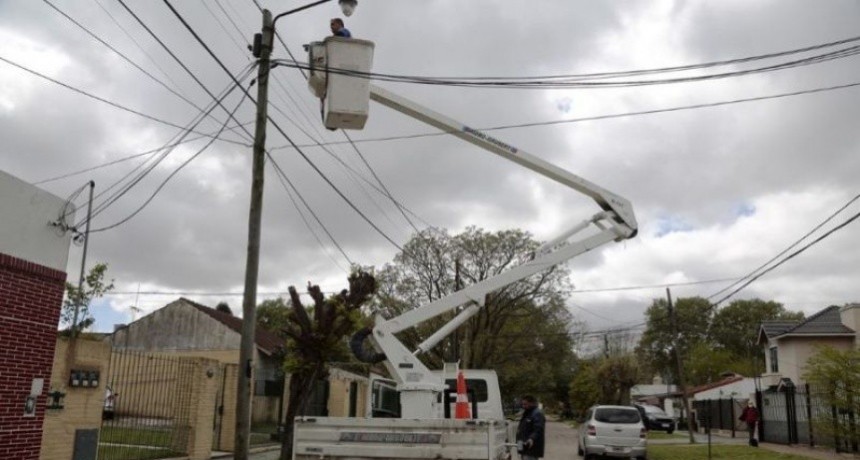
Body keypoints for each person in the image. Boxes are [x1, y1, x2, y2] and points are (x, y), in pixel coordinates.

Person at [516, 395, 545, 460]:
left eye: (525, 404)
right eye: (522, 404)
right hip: (524, 446)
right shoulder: (527, 413)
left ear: (532, 403)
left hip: (530, 447)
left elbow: (538, 429)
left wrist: (531, 439)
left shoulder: (537, 413)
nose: (523, 406)